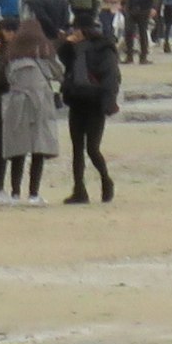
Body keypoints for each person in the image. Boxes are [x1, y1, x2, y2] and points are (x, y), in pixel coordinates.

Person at [0, 12, 63, 202]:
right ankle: (34, 194)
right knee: (38, 149)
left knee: (18, 149)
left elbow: (3, 77)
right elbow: (60, 72)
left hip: (16, 102)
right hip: (40, 102)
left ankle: (15, 193)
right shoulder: (45, 51)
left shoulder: (11, 54)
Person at [62, 13, 119, 204]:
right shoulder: (73, 48)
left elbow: (111, 77)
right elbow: (61, 61)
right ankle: (79, 189)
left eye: (75, 29)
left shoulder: (104, 48)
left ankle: (105, 180)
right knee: (77, 148)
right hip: (76, 100)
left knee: (92, 148)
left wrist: (108, 101)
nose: (73, 32)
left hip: (94, 102)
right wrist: (66, 43)